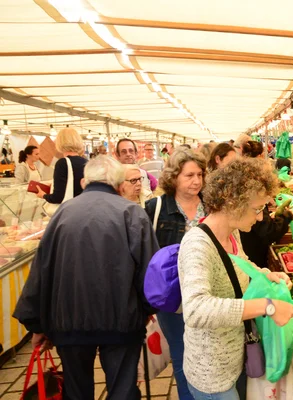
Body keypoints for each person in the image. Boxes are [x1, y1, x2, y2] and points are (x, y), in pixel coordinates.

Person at [13, 156, 159, 400]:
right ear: (120, 184)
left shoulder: (63, 213)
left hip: (69, 321)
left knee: (76, 390)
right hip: (122, 320)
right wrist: (146, 310)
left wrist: (36, 323)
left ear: (83, 182)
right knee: (123, 389)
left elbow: (42, 269)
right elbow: (149, 270)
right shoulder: (132, 213)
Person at [178, 158, 293, 399]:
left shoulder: (232, 234)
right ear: (234, 203)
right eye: (257, 209)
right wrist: (267, 306)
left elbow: (239, 264)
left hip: (235, 357)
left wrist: (265, 274)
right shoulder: (197, 245)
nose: (261, 217)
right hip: (212, 375)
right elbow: (196, 310)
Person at [144, 149, 206, 400]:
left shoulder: (211, 204)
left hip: (207, 292)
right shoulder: (156, 207)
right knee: (182, 354)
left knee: (206, 353)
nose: (197, 180)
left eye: (200, 174)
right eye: (189, 175)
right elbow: (145, 253)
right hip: (173, 296)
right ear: (174, 177)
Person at [238, 142, 293, 268]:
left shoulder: (246, 190)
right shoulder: (253, 197)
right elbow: (267, 232)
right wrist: (285, 217)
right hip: (253, 252)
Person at [36, 128, 87, 204]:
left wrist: (43, 195)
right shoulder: (86, 162)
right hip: (85, 206)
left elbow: (58, 197)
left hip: (71, 209)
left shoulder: (62, 163)